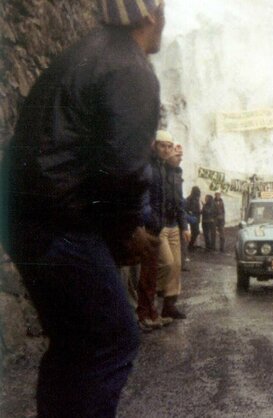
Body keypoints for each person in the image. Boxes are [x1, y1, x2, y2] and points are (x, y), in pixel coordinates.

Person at [0, 1, 165, 415]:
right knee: (112, 340)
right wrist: (129, 230)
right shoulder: (130, 68)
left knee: (74, 344)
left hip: (24, 219)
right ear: (150, 16)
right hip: (61, 224)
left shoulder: (82, 53)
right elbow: (124, 167)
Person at [137, 131, 173, 332]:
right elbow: (145, 196)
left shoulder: (161, 166)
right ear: (154, 146)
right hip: (148, 226)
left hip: (155, 225)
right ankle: (144, 315)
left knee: (150, 272)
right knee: (145, 273)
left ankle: (152, 313)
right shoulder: (150, 166)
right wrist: (150, 220)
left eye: (169, 146)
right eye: (162, 146)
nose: (166, 150)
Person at [159, 137, 189, 320]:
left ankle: (169, 305)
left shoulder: (178, 174)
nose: (180, 157)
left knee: (177, 265)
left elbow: (180, 202)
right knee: (167, 263)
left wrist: (184, 226)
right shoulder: (160, 169)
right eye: (177, 155)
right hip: (160, 224)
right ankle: (155, 295)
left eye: (181, 156)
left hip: (173, 225)